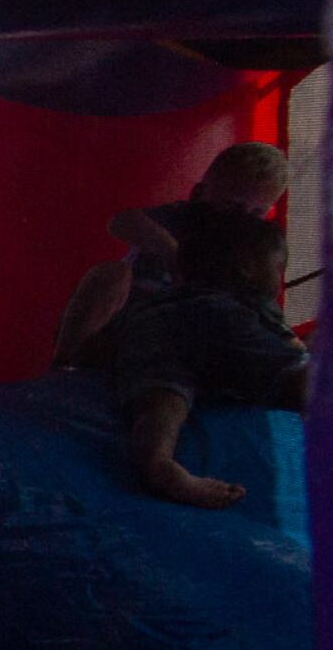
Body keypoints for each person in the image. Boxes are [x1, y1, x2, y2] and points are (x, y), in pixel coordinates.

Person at [55, 141, 308, 510]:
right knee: (111, 275)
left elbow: (262, 314)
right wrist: (173, 253)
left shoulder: (251, 244)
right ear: (201, 192)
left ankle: (158, 463)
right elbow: (121, 221)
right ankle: (66, 359)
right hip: (137, 328)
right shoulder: (186, 218)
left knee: (164, 395)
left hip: (192, 342)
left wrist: (291, 345)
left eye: (255, 211)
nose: (240, 217)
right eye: (232, 206)